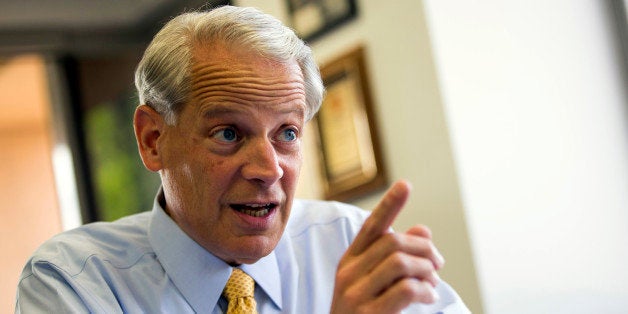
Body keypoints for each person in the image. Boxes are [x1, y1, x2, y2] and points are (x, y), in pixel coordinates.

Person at [16, 5, 469, 313]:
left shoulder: (351, 247)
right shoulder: (75, 283)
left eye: (286, 133)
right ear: (153, 140)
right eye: (229, 133)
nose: (268, 169)